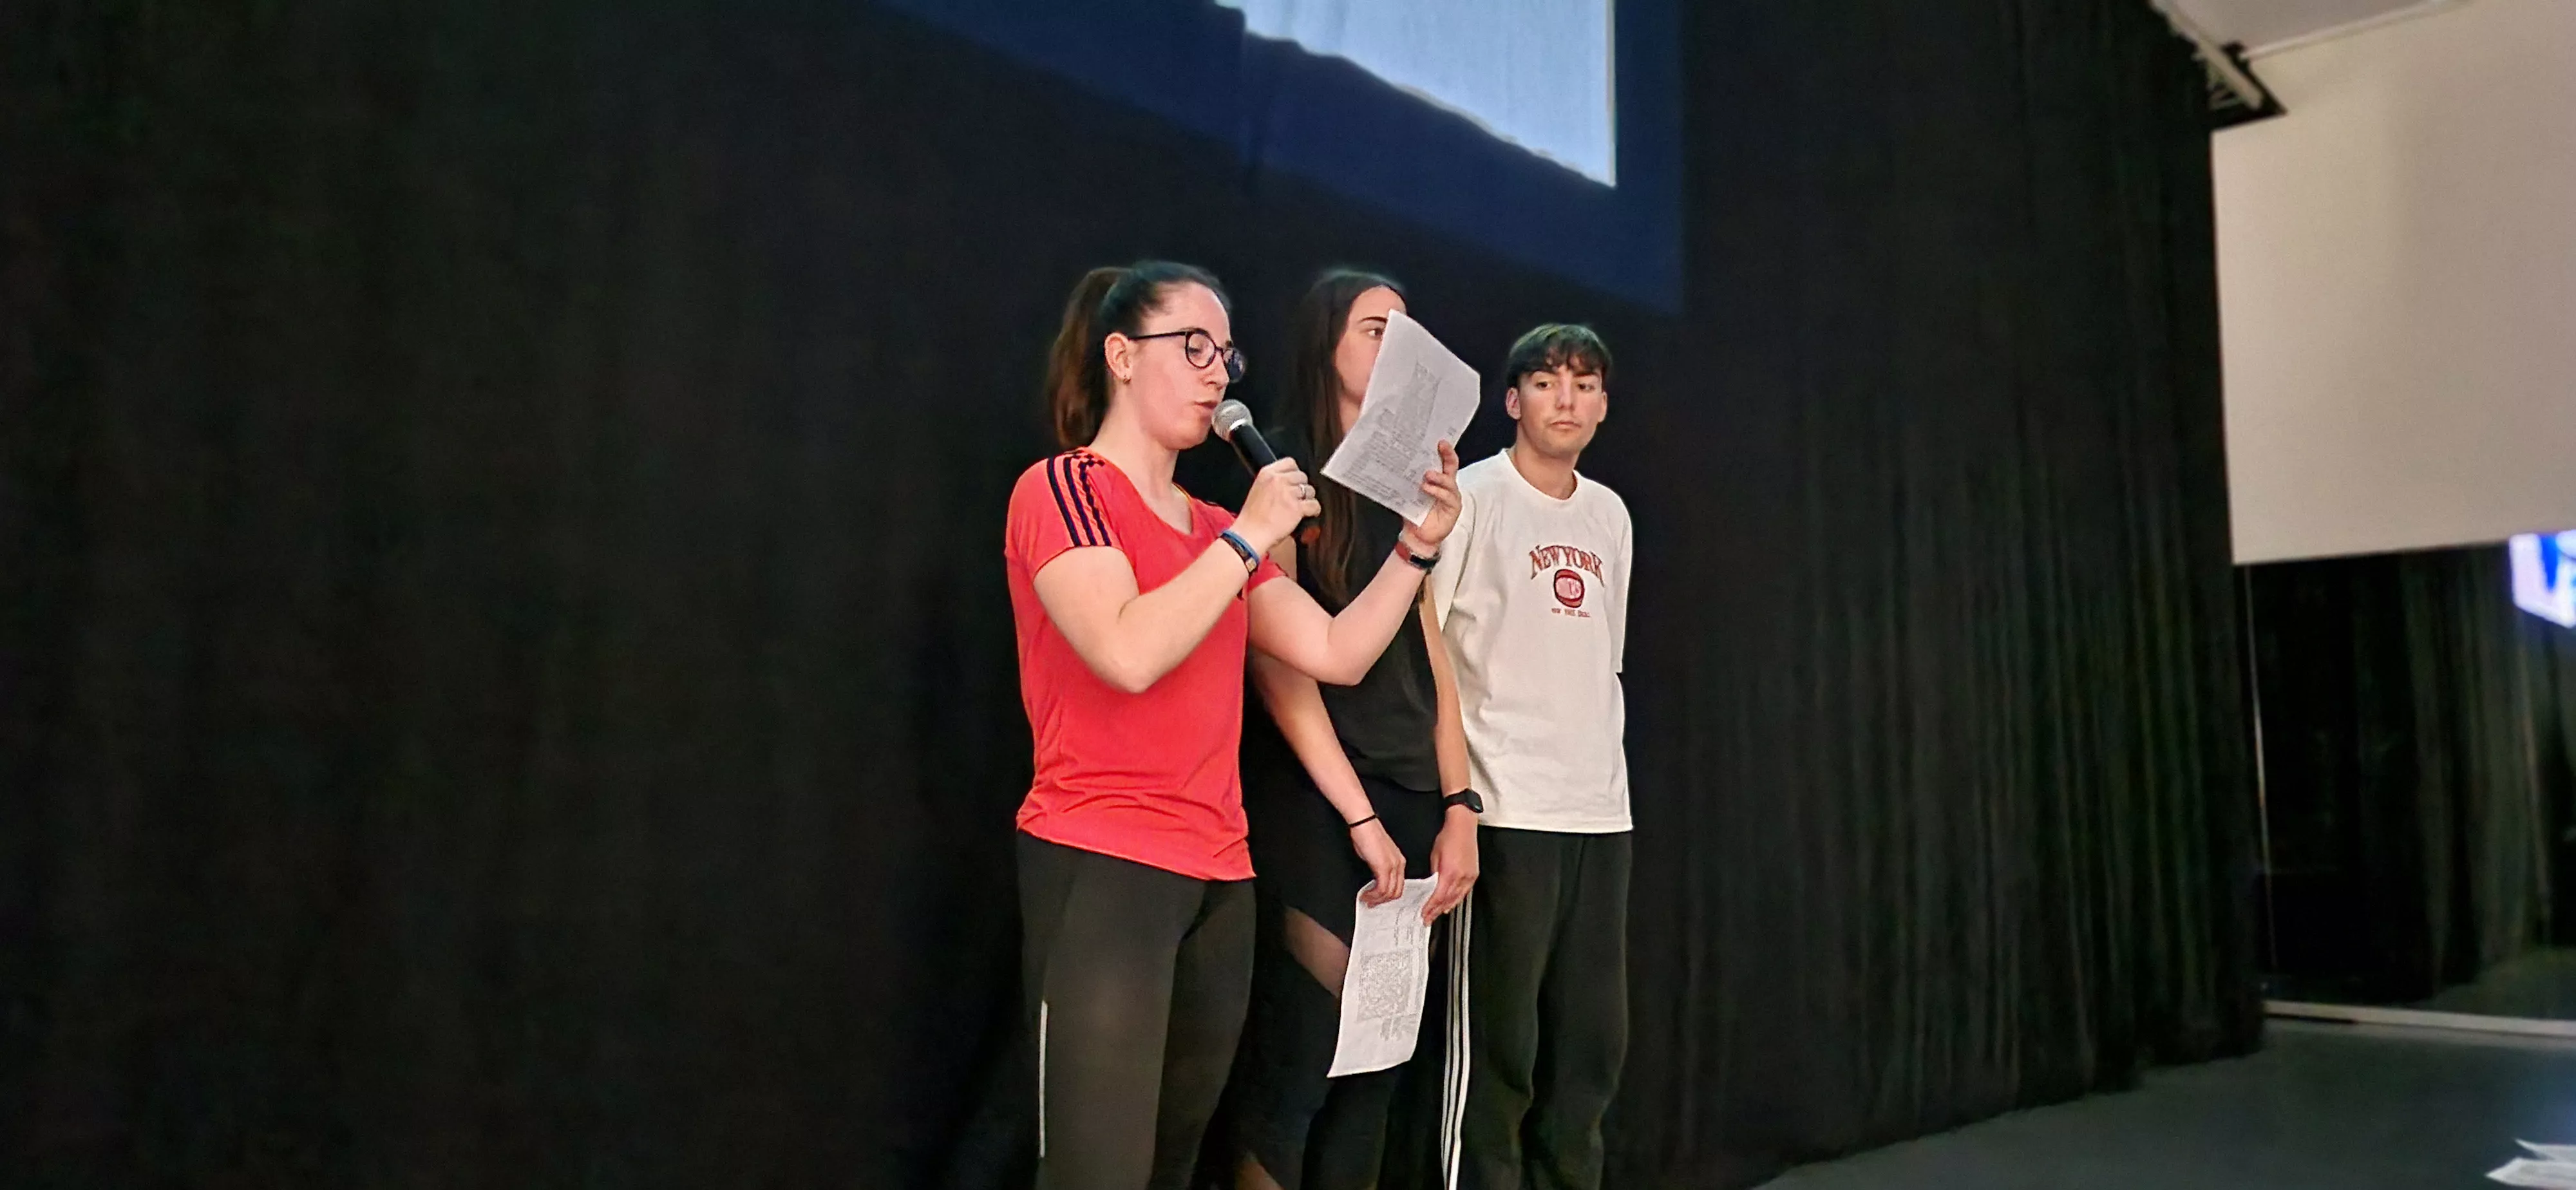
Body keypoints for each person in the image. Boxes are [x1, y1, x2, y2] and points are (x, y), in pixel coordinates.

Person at [1004, 260, 1462, 1190]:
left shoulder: (1215, 523)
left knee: (1174, 1158)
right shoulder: (1066, 489)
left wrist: (1419, 544)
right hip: (1105, 864)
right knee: (1099, 1168)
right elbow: (1128, 651)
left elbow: (1335, 652)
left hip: (1221, 874)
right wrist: (1248, 539)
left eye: (1227, 354)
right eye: (1194, 347)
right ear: (1123, 357)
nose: (1219, 374)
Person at [1217, 271, 1483, 1190]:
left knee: (1377, 1070)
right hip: (1324, 805)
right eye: (1375, 329)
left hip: (1414, 800)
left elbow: (1431, 657)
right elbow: (1282, 670)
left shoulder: (1412, 488)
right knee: (1298, 1066)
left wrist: (1460, 805)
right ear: (1325, 339)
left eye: (1408, 334)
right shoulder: (1277, 467)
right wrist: (1359, 818)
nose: (1395, 348)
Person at [1428, 325, 1632, 1190]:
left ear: (1603, 406)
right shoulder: (1473, 497)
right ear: (1513, 400)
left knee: (1590, 1049)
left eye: (1585, 386)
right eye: (1548, 384)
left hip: (1600, 810)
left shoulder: (1611, 513)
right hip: (1505, 808)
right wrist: (1458, 801)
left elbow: (1604, 658)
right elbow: (1425, 642)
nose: (1568, 402)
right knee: (1498, 1053)